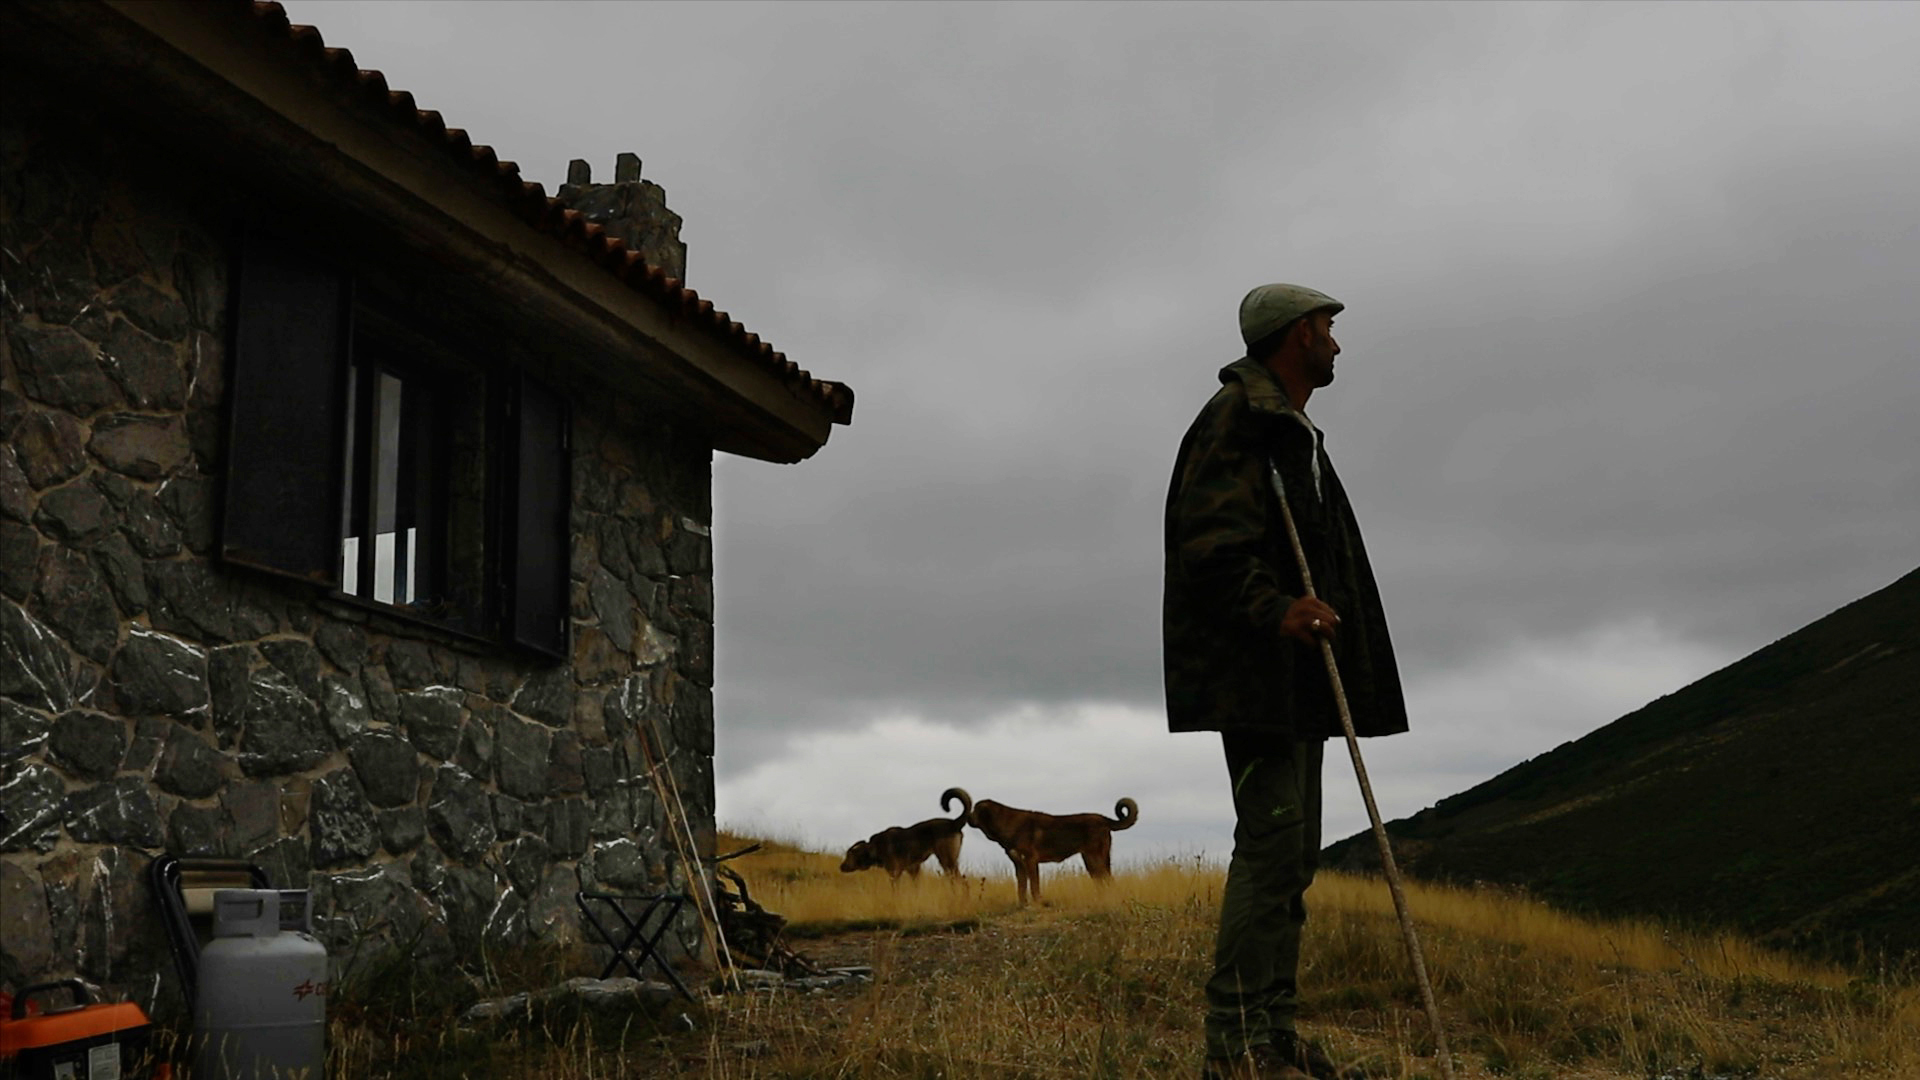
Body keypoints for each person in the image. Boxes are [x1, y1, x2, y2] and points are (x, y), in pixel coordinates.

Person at [1163, 283, 1410, 1080]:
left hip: (1294, 680)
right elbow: (1210, 544)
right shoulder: (1239, 418)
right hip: (1258, 679)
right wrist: (1274, 608)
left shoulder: (1289, 427)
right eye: (1329, 327)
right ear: (1299, 334)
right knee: (1270, 852)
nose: (1338, 342)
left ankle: (1271, 1034)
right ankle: (1231, 1047)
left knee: (1293, 856)